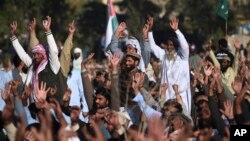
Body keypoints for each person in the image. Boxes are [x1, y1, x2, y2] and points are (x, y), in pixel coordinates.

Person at [10, 16, 60, 103]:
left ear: (43, 54)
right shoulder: (33, 65)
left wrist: (48, 31)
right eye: (34, 54)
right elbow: (22, 54)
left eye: (38, 54)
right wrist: (13, 35)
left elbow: (54, 51)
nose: (35, 56)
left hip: (47, 106)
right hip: (31, 106)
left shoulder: (52, 65)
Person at [147, 17, 192, 114]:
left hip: (180, 96)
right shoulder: (164, 56)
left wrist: (177, 31)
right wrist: (150, 31)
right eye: (168, 45)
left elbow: (185, 46)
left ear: (176, 46)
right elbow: (153, 47)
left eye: (171, 45)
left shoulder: (183, 57)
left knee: (183, 119)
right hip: (166, 95)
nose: (169, 47)